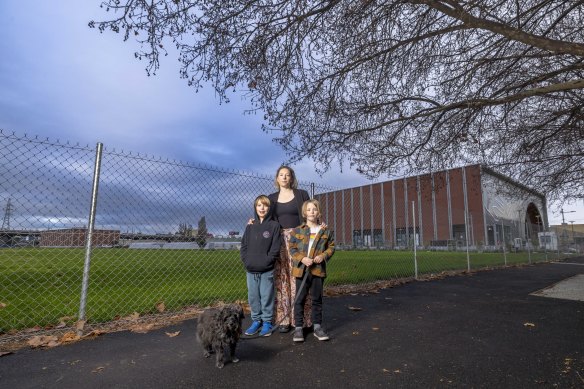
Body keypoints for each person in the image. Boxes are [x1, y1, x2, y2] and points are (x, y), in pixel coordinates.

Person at [267, 165, 312, 333]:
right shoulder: (271, 198)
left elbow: (311, 213)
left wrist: (318, 227)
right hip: (280, 241)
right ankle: (284, 319)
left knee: (298, 278)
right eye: (281, 175)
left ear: (292, 178)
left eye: (287, 175)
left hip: (299, 240)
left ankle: (302, 319)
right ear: (277, 179)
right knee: (282, 278)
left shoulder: (302, 194)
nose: (284, 177)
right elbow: (266, 219)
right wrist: (253, 223)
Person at [288, 199, 335, 342]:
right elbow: (292, 248)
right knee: (299, 299)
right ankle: (298, 329)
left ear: (319, 212)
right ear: (304, 213)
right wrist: (302, 258)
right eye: (308, 209)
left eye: (314, 209)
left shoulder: (325, 231)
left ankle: (317, 327)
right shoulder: (297, 231)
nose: (311, 212)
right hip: (301, 271)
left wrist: (323, 255)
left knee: (317, 299)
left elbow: (331, 247)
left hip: (317, 271)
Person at [240, 195, 281, 337]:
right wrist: (246, 260)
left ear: (269, 208)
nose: (262, 208)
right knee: (253, 297)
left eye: (265, 205)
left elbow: (275, 247)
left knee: (266, 296)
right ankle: (256, 320)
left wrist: (267, 261)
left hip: (266, 269)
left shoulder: (274, 226)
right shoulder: (250, 226)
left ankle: (267, 322)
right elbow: (244, 246)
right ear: (255, 208)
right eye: (259, 205)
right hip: (251, 269)